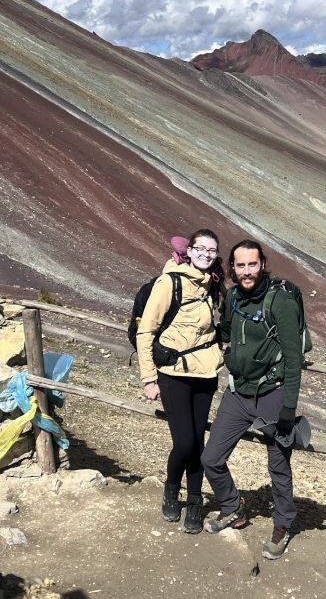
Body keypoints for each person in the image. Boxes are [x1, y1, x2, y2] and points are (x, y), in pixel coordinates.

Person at [201, 240, 303, 560]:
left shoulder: (281, 301)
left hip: (271, 395)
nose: (246, 272)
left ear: (262, 264)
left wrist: (288, 406)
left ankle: (283, 524)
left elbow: (292, 356)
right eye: (240, 266)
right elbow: (228, 331)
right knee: (211, 458)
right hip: (238, 392)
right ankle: (234, 507)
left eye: (252, 265)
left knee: (278, 466)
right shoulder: (233, 297)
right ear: (233, 268)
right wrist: (229, 354)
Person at [137, 228, 224, 533]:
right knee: (185, 442)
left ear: (216, 255)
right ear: (189, 250)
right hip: (174, 374)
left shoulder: (214, 286)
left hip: (205, 375)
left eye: (211, 250)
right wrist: (149, 378)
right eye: (200, 248)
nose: (205, 254)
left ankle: (196, 501)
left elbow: (217, 328)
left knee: (197, 444)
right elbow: (145, 332)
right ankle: (172, 489)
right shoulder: (169, 282)